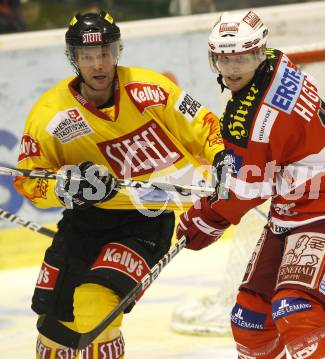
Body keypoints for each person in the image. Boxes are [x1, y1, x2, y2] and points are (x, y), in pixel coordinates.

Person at [13, 10, 223, 358]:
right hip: (84, 221)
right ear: (74, 59)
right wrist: (64, 189)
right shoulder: (50, 115)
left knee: (96, 308)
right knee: (55, 329)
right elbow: (29, 179)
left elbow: (205, 125)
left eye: (105, 54)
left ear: (117, 52)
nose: (98, 65)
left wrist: (221, 157)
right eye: (88, 56)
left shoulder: (152, 90)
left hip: (146, 220)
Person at [176, 9, 325, 359]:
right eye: (224, 59)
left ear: (257, 53)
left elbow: (245, 191)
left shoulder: (256, 118)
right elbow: (260, 169)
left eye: (240, 58)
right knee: (250, 319)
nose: (232, 68)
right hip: (293, 210)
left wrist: (204, 218)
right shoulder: (277, 63)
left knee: (296, 312)